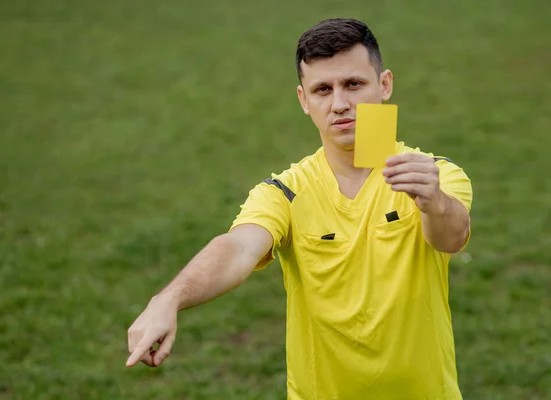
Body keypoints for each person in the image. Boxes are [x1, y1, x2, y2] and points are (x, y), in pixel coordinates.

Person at [126, 17, 473, 399]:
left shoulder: (433, 173)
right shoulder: (285, 191)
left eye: (353, 84)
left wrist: (434, 202)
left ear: (384, 85)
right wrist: (169, 298)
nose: (340, 104)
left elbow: (451, 239)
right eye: (322, 89)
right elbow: (239, 248)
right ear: (304, 100)